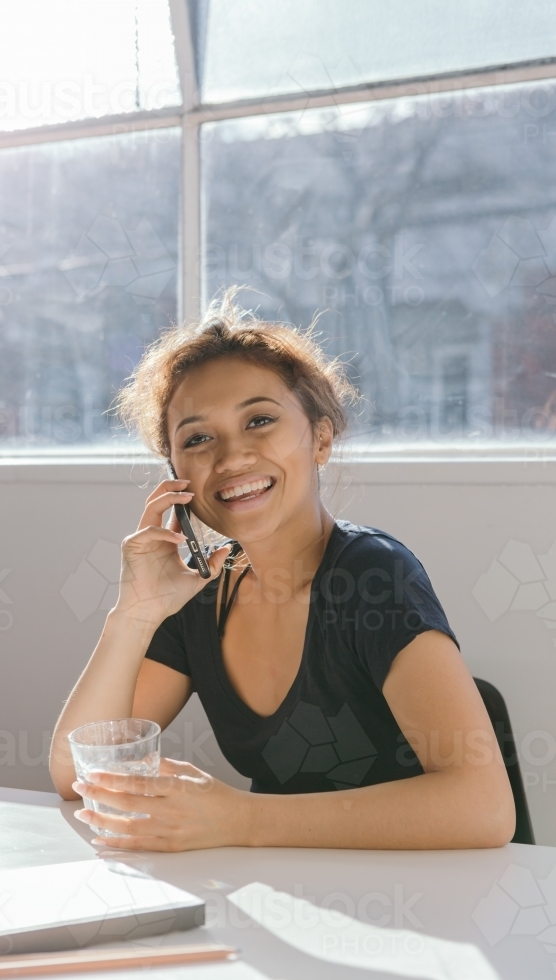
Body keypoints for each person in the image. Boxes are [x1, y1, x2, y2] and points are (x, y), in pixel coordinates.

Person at [50, 294, 515, 851]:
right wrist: (134, 615)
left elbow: (484, 808)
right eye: (198, 439)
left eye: (260, 420)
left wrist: (241, 821)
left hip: (418, 906)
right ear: (176, 475)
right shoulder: (199, 592)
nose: (231, 456)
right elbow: (75, 774)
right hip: (287, 891)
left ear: (320, 438)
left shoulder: (372, 576)